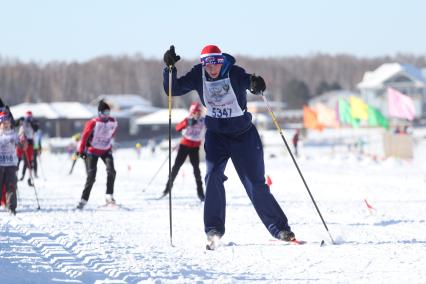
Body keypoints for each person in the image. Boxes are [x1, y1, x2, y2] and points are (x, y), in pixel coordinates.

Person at [162, 45, 295, 244]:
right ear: (203, 64)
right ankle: (214, 229)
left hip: (244, 136)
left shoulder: (234, 72)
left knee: (255, 183)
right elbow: (173, 89)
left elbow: (250, 82)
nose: (212, 68)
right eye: (207, 64)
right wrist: (170, 70)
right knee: (212, 176)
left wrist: (256, 83)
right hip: (217, 137)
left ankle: (280, 229)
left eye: (215, 63)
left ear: (221, 61)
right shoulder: (199, 74)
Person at [76, 100, 118, 209]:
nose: (107, 116)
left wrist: (109, 142)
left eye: (108, 113)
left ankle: (109, 195)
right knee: (91, 176)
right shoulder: (93, 122)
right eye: (105, 113)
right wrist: (81, 151)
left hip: (106, 150)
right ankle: (83, 200)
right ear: (99, 113)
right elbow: (84, 136)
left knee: (112, 171)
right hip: (93, 151)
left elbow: (113, 132)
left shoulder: (112, 121)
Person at [161, 102, 206, 201]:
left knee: (196, 170)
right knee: (176, 167)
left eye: (198, 113)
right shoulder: (188, 119)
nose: (196, 115)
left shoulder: (203, 121)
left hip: (195, 147)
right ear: (191, 112)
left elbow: (210, 126)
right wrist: (186, 124)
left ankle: (201, 192)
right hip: (184, 146)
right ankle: (167, 188)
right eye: (195, 113)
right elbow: (177, 128)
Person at [0, 101, 19, 215]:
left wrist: (22, 143)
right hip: (0, 164)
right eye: (3, 123)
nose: (6, 125)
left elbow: (20, 143)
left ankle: (11, 206)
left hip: (11, 164)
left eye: (8, 123)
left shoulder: (13, 134)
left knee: (11, 186)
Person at [18, 111, 38, 185]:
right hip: (22, 143)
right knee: (20, 160)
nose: (29, 118)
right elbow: (20, 132)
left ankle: (29, 178)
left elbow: (36, 129)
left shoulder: (33, 123)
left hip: (30, 144)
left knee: (30, 161)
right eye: (28, 117)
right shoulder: (23, 122)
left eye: (30, 117)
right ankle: (20, 175)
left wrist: (32, 123)